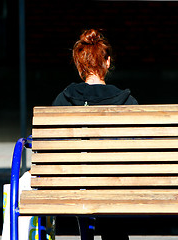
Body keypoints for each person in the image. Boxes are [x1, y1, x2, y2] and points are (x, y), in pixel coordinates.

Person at [52, 29, 138, 240]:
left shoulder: (62, 100)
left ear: (80, 66)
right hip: (118, 186)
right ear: (107, 62)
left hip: (74, 187)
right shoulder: (127, 101)